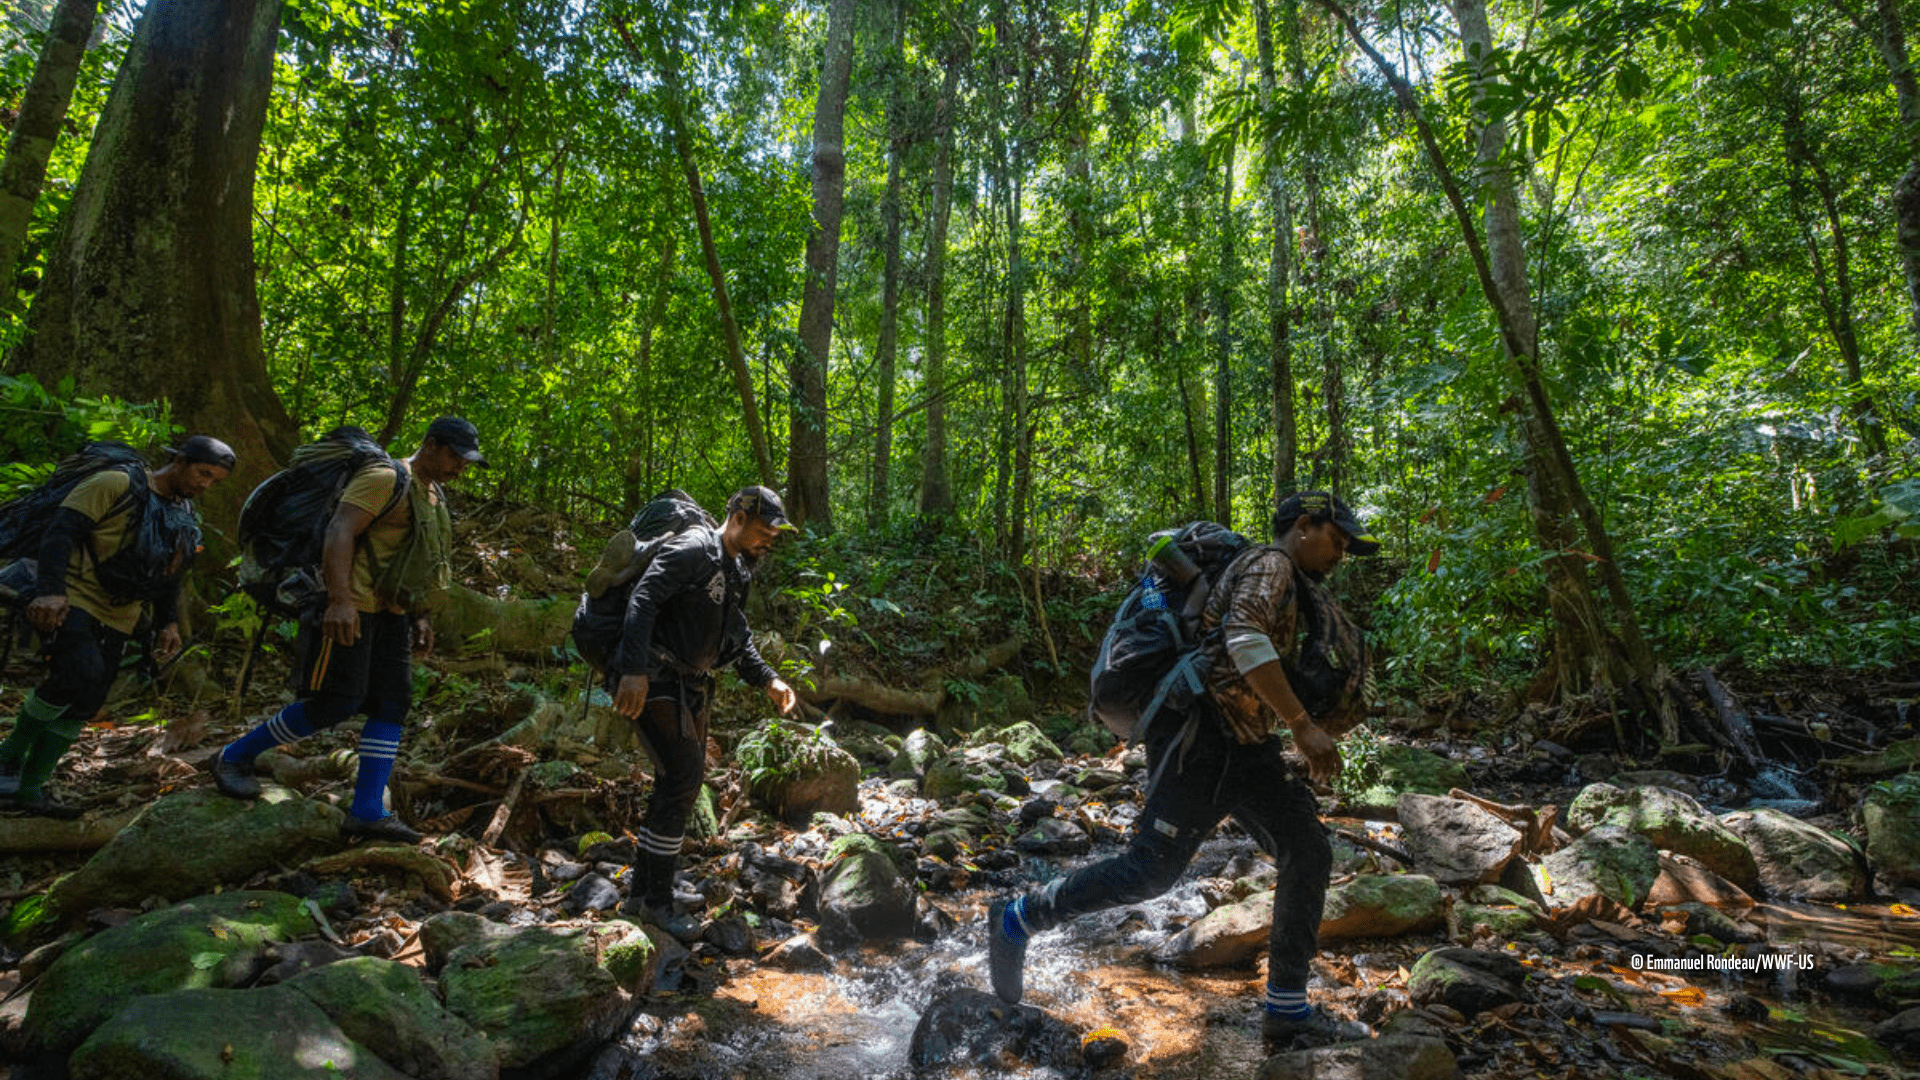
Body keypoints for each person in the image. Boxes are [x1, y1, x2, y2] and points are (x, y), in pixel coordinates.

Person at [987, 491, 1379, 1050]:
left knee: (1308, 848)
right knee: (1150, 872)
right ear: (1302, 526)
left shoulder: (1295, 583)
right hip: (1201, 737)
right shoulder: (1271, 564)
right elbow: (1244, 637)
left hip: (1247, 746)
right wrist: (1299, 724)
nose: (1341, 553)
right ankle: (1018, 917)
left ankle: (1287, 1011)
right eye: (1336, 539)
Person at [211, 417, 481, 843]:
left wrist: (420, 616)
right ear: (430, 445)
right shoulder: (384, 478)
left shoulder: (433, 495)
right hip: (350, 608)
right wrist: (339, 601)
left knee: (393, 703)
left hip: (392, 615)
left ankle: (368, 810)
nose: (459, 467)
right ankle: (233, 756)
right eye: (454, 456)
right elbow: (340, 530)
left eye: (465, 461)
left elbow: (417, 559)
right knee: (334, 703)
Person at [0, 436, 236, 817]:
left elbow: (169, 575)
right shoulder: (117, 483)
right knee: (79, 672)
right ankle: (9, 754)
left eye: (215, 481)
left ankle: (29, 791)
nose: (205, 484)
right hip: (74, 596)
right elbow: (61, 532)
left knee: (90, 697)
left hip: (121, 614)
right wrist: (50, 592)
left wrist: (168, 622)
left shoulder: (184, 513)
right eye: (203, 473)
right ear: (179, 462)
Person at [607, 485, 799, 937]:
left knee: (676, 783)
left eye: (774, 533)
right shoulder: (693, 548)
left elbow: (738, 635)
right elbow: (644, 599)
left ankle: (643, 895)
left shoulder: (737, 571)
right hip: (653, 676)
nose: (769, 540)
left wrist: (768, 678)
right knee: (683, 777)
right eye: (763, 530)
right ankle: (657, 903)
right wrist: (633, 670)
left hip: (689, 685)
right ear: (736, 517)